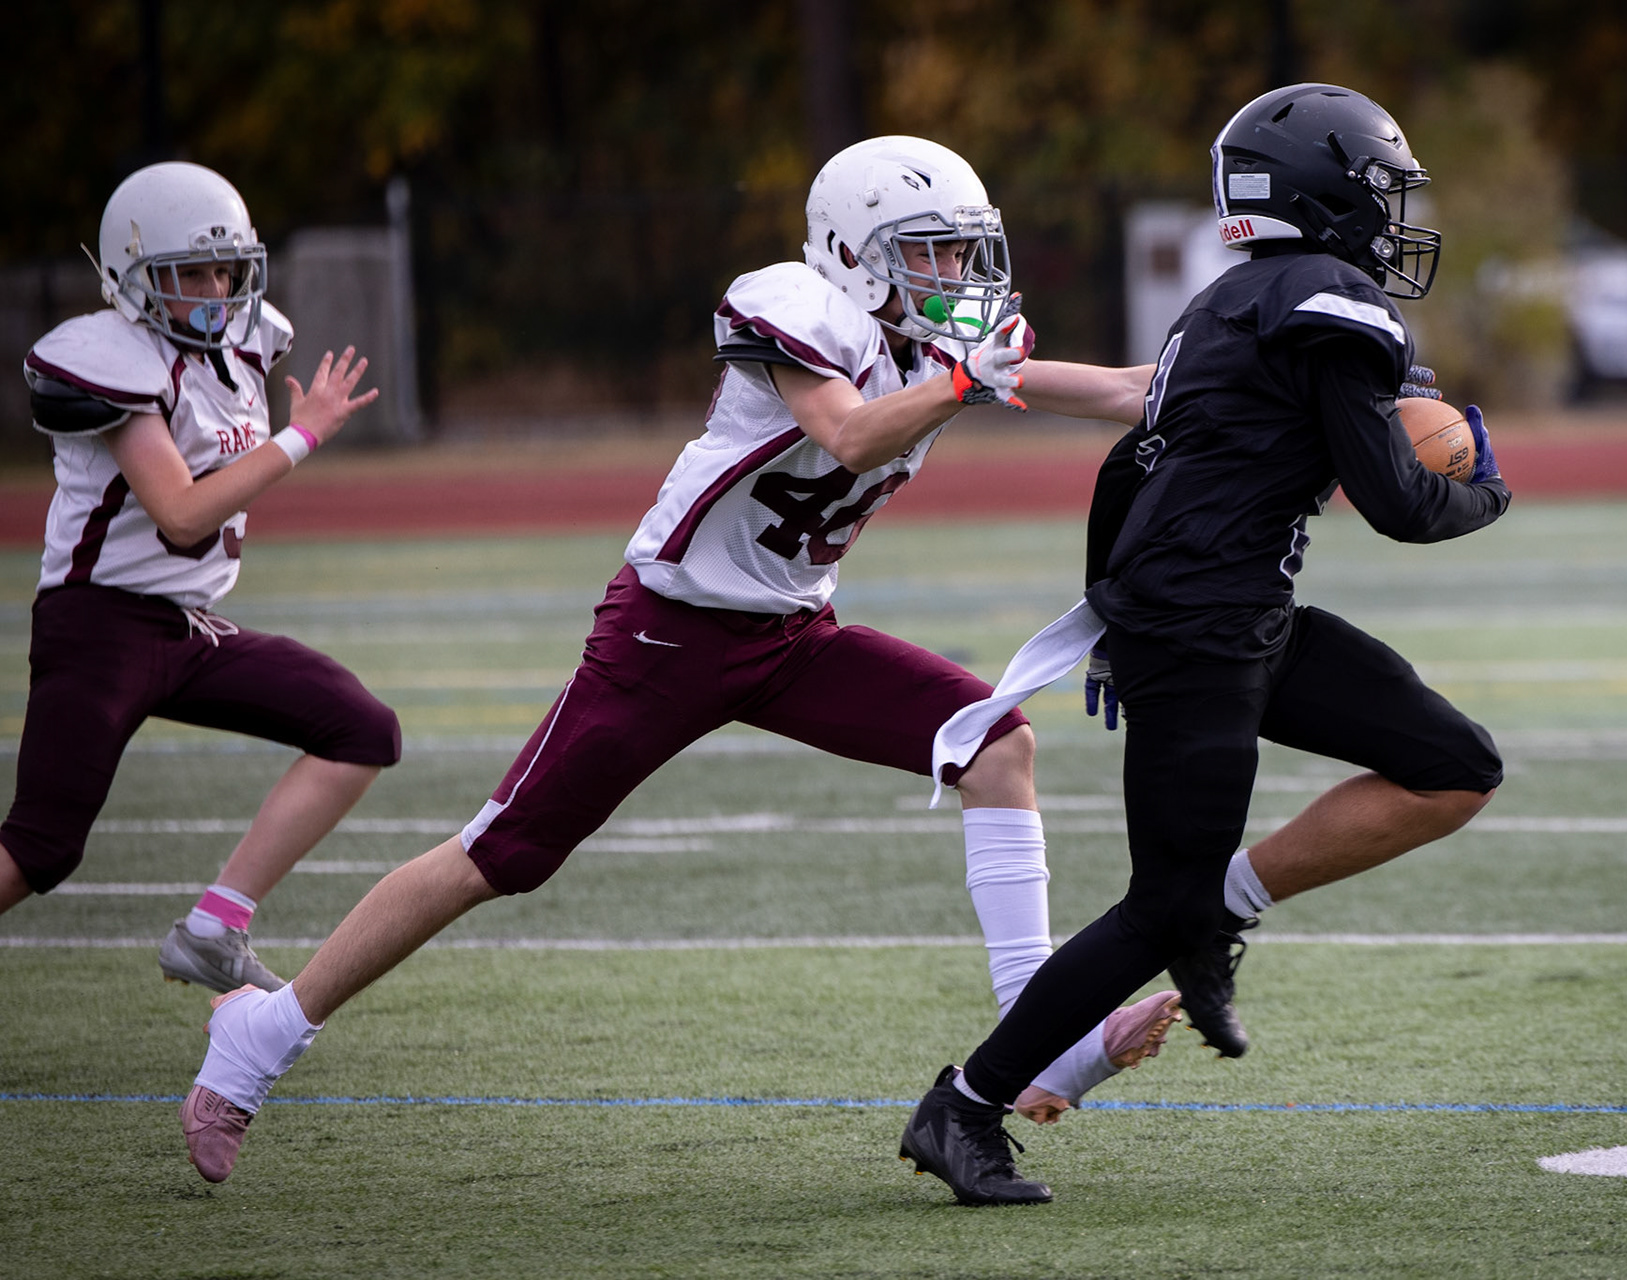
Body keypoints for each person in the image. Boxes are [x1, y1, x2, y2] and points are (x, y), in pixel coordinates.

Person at [178, 135, 1181, 1185]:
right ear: (852, 250)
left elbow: (1119, 389)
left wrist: (1237, 379)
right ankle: (264, 1030)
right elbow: (846, 434)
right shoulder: (799, 308)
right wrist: (964, 379)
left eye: (962, 252)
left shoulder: (935, 353)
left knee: (995, 741)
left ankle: (1038, 1028)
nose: (954, 278)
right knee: (500, 852)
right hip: (668, 634)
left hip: (793, 635)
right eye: (928, 252)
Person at [899, 84, 1513, 1205]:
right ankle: (965, 1103)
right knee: (1155, 909)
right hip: (1202, 629)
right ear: (1323, 194)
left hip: (1229, 618)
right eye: (1379, 192)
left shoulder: (1225, 302)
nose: (1391, 216)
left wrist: (1112, 607)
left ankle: (1223, 911)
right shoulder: (1329, 296)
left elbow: (1137, 463)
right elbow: (1402, 505)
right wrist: (1484, 482)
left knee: (1454, 762)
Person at [1, 162, 398, 996]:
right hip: (97, 630)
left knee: (361, 728)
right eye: (191, 274)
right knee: (39, 851)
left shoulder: (245, 342)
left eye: (225, 270)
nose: (216, 290)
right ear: (135, 275)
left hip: (186, 629)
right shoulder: (110, 357)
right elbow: (179, 513)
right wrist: (302, 438)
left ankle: (216, 927)